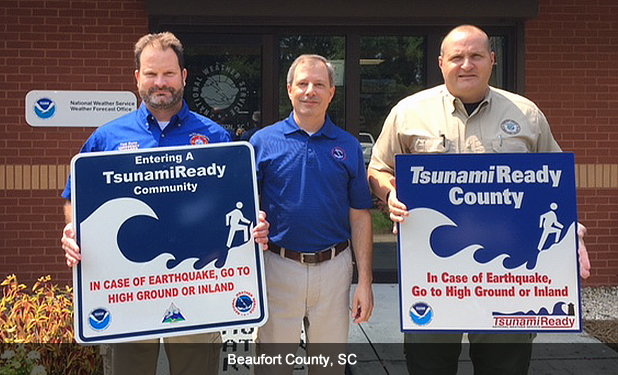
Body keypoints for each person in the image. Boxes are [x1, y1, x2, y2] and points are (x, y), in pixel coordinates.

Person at [367, 24, 591, 375]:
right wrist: (390, 192)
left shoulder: (526, 115)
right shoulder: (409, 113)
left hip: (508, 274)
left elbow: (555, 185)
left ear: (492, 60)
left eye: (475, 56)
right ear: (441, 63)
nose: (466, 64)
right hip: (433, 274)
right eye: (457, 57)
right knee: (429, 367)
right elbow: (377, 170)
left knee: (504, 367)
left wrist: (572, 238)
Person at [60, 32, 269, 375]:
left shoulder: (216, 136)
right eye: (152, 73)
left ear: (184, 77)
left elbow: (237, 204)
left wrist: (254, 227)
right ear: (137, 77)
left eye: (169, 74)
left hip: (197, 287)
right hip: (127, 291)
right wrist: (73, 230)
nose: (161, 82)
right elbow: (75, 197)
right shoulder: (107, 137)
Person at [250, 54, 374, 375]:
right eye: (302, 83)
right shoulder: (262, 143)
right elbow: (245, 205)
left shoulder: (348, 146)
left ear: (332, 92)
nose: (310, 91)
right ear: (289, 89)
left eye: (319, 84)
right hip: (278, 267)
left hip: (334, 269)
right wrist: (254, 223)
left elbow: (360, 215)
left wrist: (365, 281)